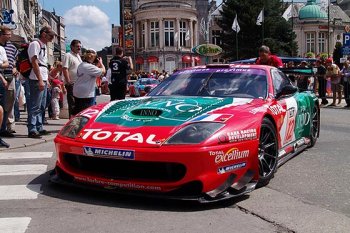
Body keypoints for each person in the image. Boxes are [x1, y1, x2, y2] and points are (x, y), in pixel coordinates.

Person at [27, 26, 55, 138]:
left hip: (42, 77)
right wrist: (40, 80)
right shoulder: (35, 44)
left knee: (42, 105)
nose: (52, 38)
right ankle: (32, 128)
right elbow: (34, 62)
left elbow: (43, 64)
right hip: (36, 78)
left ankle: (39, 126)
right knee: (35, 105)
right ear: (44, 34)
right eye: (50, 35)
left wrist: (46, 79)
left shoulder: (43, 45)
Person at [73, 49, 105, 115]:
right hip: (86, 94)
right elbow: (103, 71)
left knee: (79, 112)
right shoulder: (89, 67)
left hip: (78, 92)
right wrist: (101, 63)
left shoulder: (81, 65)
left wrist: (97, 65)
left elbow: (92, 71)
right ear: (93, 57)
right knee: (87, 113)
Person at [62, 39, 82, 118]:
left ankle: (76, 121)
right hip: (72, 83)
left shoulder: (78, 56)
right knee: (72, 104)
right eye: (77, 46)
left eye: (80, 46)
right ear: (71, 47)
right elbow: (65, 68)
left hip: (79, 83)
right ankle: (71, 121)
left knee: (78, 104)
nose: (79, 48)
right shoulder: (68, 55)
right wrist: (68, 81)